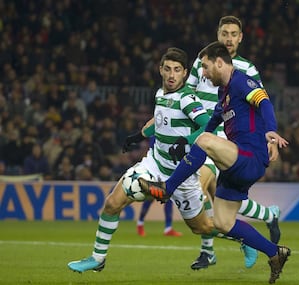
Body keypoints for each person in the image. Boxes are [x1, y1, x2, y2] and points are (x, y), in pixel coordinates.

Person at [68, 47, 255, 275]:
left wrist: (185, 140)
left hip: (182, 175)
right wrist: (139, 136)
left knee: (202, 227)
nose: (171, 75)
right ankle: (98, 258)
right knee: (112, 203)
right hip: (154, 164)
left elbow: (210, 126)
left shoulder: (186, 99)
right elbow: (160, 122)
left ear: (185, 73)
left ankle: (244, 239)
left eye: (177, 70)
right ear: (160, 70)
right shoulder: (160, 94)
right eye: (167, 69)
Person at [139, 42, 291, 284]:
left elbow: (265, 102)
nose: (204, 74)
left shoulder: (242, 82)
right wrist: (188, 141)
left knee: (206, 141)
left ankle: (167, 189)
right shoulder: (225, 93)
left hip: (250, 156)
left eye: (207, 68)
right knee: (222, 223)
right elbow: (209, 125)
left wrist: (271, 131)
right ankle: (275, 253)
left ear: (220, 62)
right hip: (237, 165)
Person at [186, 15, 281, 269]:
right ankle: (267, 216)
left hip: (228, 141)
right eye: (224, 33)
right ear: (218, 34)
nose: (229, 38)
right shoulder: (202, 62)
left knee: (199, 185)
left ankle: (208, 251)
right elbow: (187, 94)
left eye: (233, 34)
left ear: (240, 38)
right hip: (203, 134)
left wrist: (269, 137)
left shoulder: (247, 70)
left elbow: (261, 104)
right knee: (218, 200)